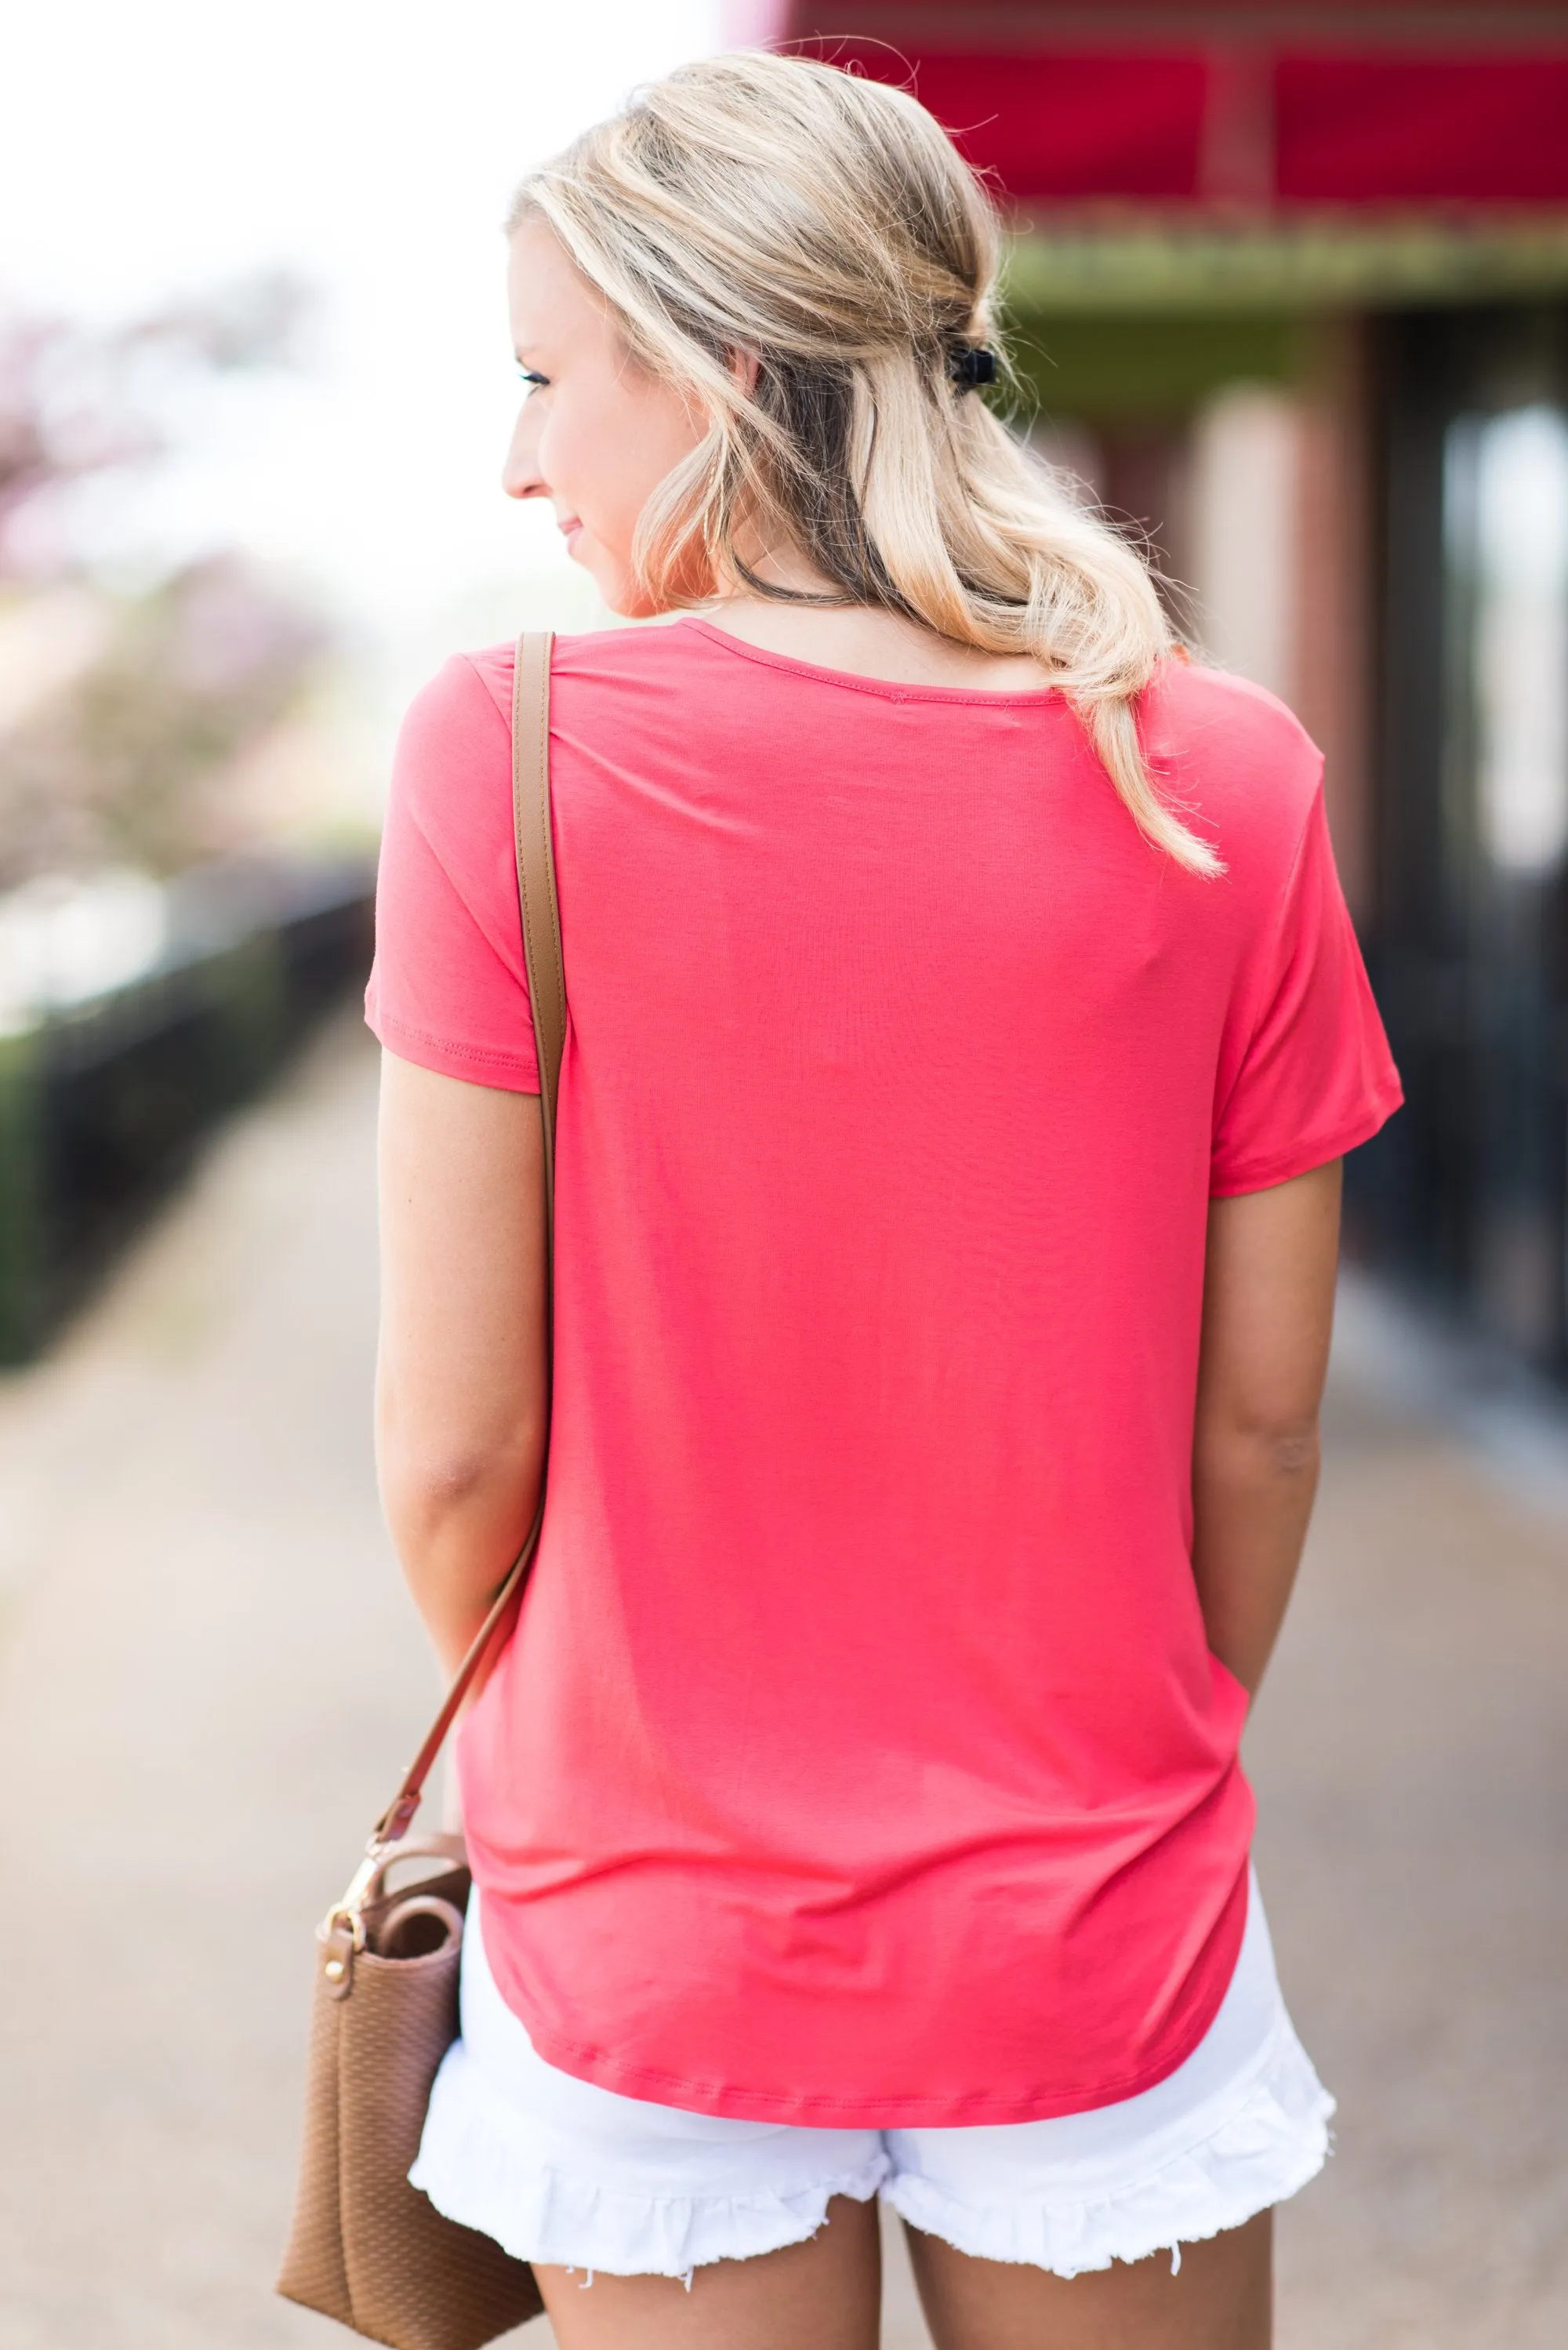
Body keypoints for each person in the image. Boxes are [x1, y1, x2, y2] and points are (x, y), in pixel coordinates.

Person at [365, 49, 1401, 2350]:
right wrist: (1133, 1732)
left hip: (651, 1915)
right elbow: (1262, 1429)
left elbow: (456, 1452)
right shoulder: (1217, 771)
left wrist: (582, 1735)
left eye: (548, 376)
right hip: (1097, 1900)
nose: (519, 452)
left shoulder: (504, 750)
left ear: (728, 370)